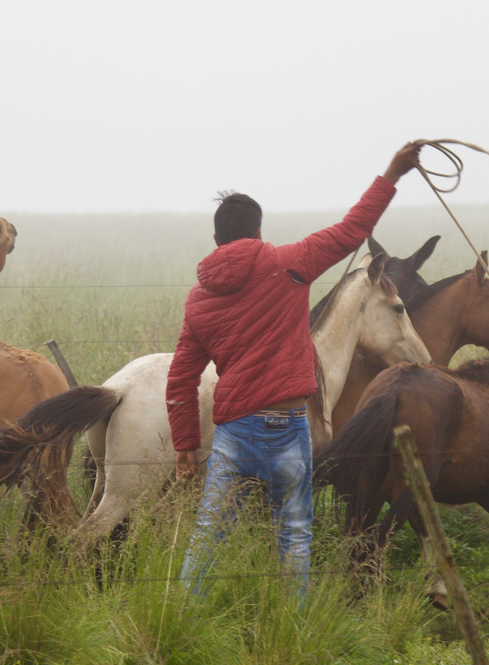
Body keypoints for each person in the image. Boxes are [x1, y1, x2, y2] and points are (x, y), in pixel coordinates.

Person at [169, 142, 424, 595]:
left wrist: (186, 447)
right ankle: (293, 633)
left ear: (216, 241)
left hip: (233, 433)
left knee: (207, 537)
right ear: (259, 231)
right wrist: (393, 173)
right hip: (289, 427)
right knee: (295, 538)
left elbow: (181, 379)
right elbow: (353, 230)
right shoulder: (289, 263)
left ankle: (179, 624)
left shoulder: (198, 299)